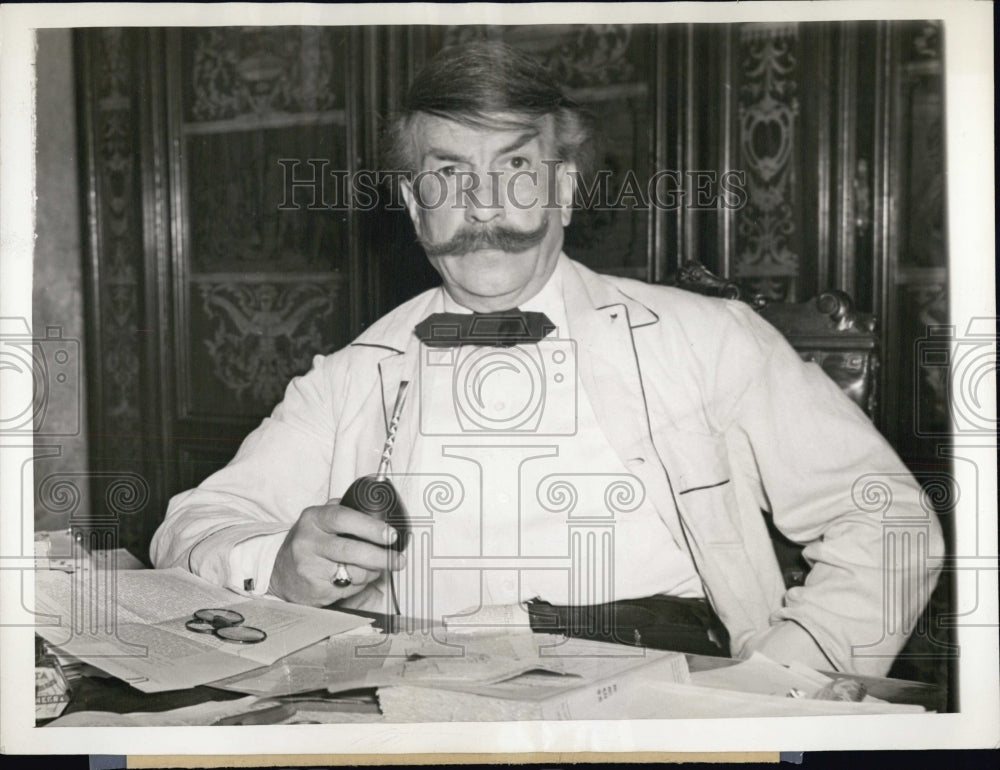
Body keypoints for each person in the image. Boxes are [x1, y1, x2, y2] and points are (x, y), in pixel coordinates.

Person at [151, 42, 943, 677]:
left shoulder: (709, 340)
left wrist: (782, 678)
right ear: (412, 205)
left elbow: (889, 520)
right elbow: (191, 526)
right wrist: (277, 566)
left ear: (564, 189)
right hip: (412, 686)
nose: (485, 207)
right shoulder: (355, 372)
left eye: (517, 168)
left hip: (665, 679)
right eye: (449, 175)